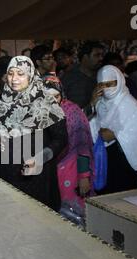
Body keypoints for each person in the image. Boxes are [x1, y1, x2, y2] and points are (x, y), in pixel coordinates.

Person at [0, 56, 68, 211]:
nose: (14, 79)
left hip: (37, 176)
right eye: (11, 73)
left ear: (31, 75)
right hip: (8, 173)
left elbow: (61, 139)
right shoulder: (3, 100)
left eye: (20, 74)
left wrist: (41, 158)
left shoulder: (45, 101)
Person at [90, 65, 137, 194]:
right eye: (102, 84)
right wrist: (92, 104)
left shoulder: (131, 105)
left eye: (111, 83)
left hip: (124, 161)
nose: (107, 88)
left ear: (119, 81)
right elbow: (89, 124)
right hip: (104, 159)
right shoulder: (99, 103)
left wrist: (116, 135)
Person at [43, 75, 94, 224]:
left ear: (62, 94)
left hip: (71, 169)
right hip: (49, 170)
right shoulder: (38, 113)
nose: (52, 101)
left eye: (56, 96)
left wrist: (83, 176)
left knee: (74, 217)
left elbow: (82, 145)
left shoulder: (72, 112)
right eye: (47, 96)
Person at [61, 41, 104, 117]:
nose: (101, 58)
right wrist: (91, 104)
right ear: (85, 57)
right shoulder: (68, 78)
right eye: (97, 55)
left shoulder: (103, 75)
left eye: (102, 55)